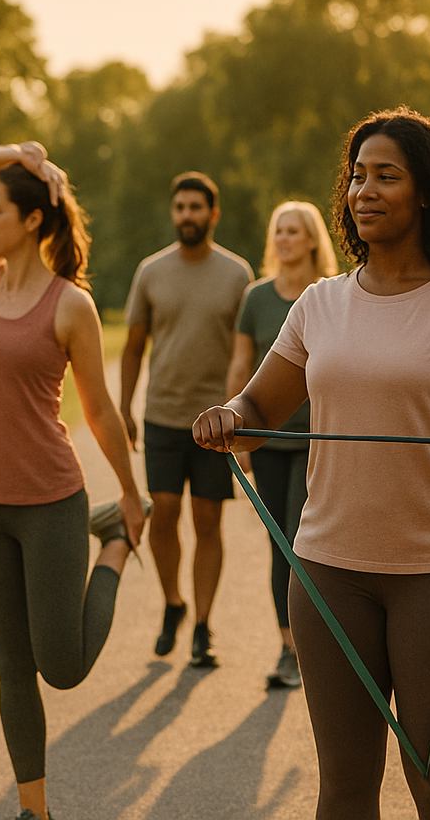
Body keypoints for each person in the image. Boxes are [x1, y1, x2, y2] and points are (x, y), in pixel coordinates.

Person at [195, 109, 430, 818]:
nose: (365, 190)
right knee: (345, 789)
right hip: (327, 573)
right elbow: (259, 414)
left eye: (386, 176)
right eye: (357, 176)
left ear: (427, 192)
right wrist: (229, 418)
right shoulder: (320, 304)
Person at [0, 141, 146, 820]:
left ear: (31, 221)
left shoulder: (69, 306)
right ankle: (36, 809)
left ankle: (111, 546)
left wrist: (132, 493)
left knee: (62, 666)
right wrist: (17, 153)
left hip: (53, 503)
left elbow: (100, 409)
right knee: (12, 666)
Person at [121, 171, 253, 666]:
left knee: (208, 521)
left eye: (196, 208)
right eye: (180, 208)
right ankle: (173, 603)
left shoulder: (237, 274)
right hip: (162, 416)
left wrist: (243, 413)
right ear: (172, 212)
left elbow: (247, 352)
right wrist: (124, 408)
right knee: (165, 516)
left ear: (212, 214)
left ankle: (202, 625)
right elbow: (133, 347)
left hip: (216, 424)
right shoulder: (150, 272)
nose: (187, 216)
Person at [225, 199, 338, 689]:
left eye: (294, 231)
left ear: (313, 239)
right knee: (282, 546)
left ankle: (323, 646)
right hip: (269, 440)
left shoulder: (331, 296)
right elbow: (241, 368)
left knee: (313, 544)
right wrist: (239, 431)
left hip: (322, 442)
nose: (284, 239)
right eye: (279, 232)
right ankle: (289, 650)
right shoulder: (256, 298)